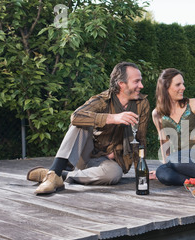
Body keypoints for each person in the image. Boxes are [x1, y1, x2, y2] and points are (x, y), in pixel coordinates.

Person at [27, 62, 151, 194]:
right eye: (136, 81)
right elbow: (75, 116)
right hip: (87, 154)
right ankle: (55, 171)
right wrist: (112, 118)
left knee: (114, 174)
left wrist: (141, 171)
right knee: (80, 124)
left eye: (141, 81)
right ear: (121, 84)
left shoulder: (142, 104)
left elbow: (140, 139)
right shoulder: (102, 100)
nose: (141, 86)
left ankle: (57, 176)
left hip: (110, 162)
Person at [152, 68, 195, 186]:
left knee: (174, 159)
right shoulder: (157, 114)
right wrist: (165, 164)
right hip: (180, 162)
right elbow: (164, 142)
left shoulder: (194, 103)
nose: (183, 87)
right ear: (165, 88)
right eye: (178, 84)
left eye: (183, 84)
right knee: (161, 172)